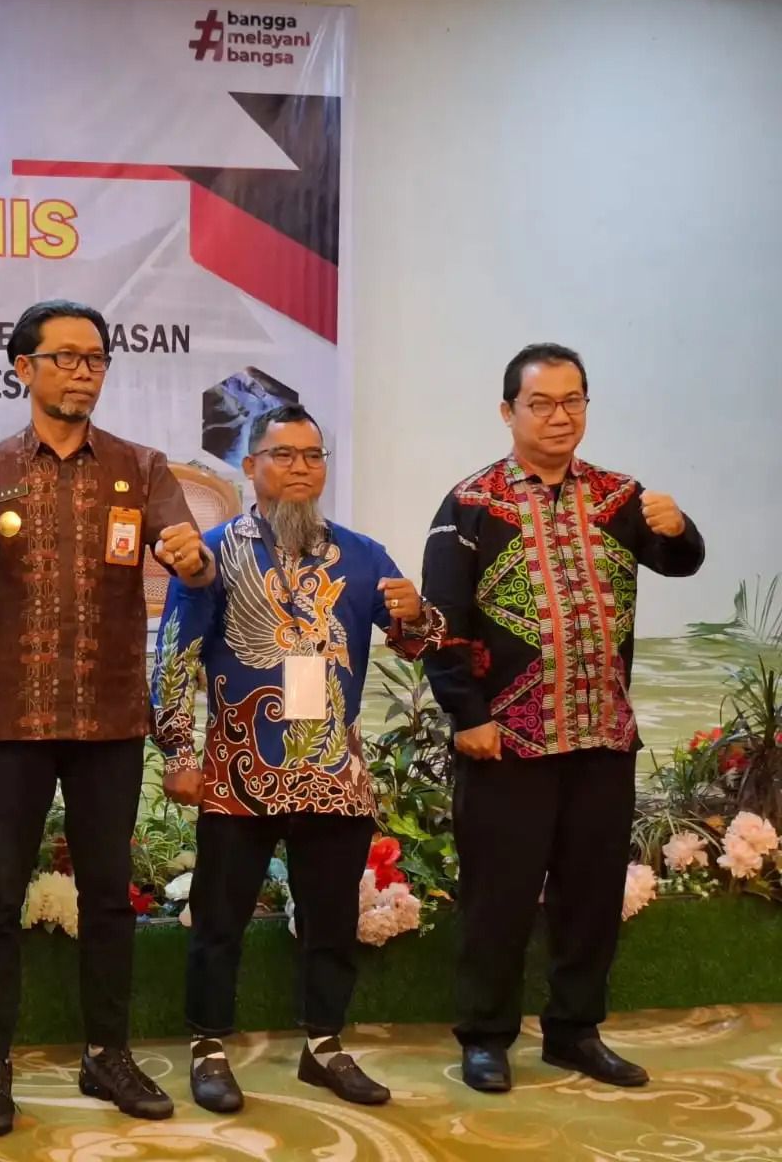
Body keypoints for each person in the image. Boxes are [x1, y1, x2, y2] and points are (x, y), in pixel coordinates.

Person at [0, 298, 214, 1137]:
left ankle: (107, 1054)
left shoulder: (140, 467)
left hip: (109, 724)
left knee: (109, 899)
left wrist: (192, 559)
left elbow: (190, 561)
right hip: (9, 724)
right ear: (25, 368)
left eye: (95, 359)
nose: (84, 372)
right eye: (66, 357)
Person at [422, 343, 704, 1094]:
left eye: (572, 400)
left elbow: (680, 562)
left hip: (601, 734)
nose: (559, 416)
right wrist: (467, 714)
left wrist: (679, 528)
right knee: (499, 899)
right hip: (505, 743)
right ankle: (486, 1037)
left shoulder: (619, 497)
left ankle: (575, 1033)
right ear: (508, 410)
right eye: (541, 403)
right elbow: (440, 624)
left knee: (590, 899)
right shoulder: (472, 504)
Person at [151, 404, 446, 1112]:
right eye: (283, 455)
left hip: (335, 772)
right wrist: (179, 751)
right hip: (239, 770)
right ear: (251, 466)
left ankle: (324, 1045)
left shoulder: (362, 554)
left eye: (313, 456)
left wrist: (416, 613)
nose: (300, 468)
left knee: (331, 921)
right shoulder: (212, 553)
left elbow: (420, 643)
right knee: (219, 919)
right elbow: (174, 655)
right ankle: (209, 1047)